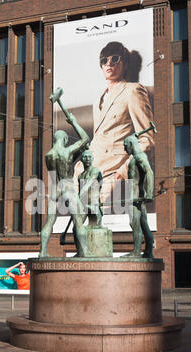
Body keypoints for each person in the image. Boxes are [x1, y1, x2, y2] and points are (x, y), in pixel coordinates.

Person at [76, 41, 154, 204]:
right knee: (78, 225)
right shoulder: (98, 99)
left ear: (125, 64)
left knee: (100, 224)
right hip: (86, 173)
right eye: (104, 60)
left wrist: (122, 173)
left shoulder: (133, 90)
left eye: (115, 59)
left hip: (111, 175)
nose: (109, 63)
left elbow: (147, 140)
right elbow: (98, 138)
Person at [39, 111, 90, 258]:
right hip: (68, 187)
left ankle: (42, 251)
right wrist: (73, 122)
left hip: (55, 189)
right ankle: (85, 252)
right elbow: (85, 138)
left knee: (49, 222)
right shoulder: (67, 151)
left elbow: (61, 167)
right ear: (66, 139)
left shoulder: (48, 155)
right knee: (78, 220)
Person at [122, 134, 154, 258]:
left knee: (134, 223)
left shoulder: (139, 157)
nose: (125, 149)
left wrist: (150, 192)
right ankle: (149, 250)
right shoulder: (137, 157)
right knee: (143, 223)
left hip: (135, 195)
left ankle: (136, 252)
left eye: (126, 146)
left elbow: (149, 172)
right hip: (136, 194)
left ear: (131, 144)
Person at [78, 150, 103, 227]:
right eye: (85, 157)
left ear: (92, 158)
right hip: (84, 206)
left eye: (89, 157)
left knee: (94, 228)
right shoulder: (80, 176)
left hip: (93, 205)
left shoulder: (95, 171)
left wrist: (78, 196)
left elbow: (87, 185)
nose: (87, 159)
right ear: (81, 159)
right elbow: (80, 190)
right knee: (76, 228)